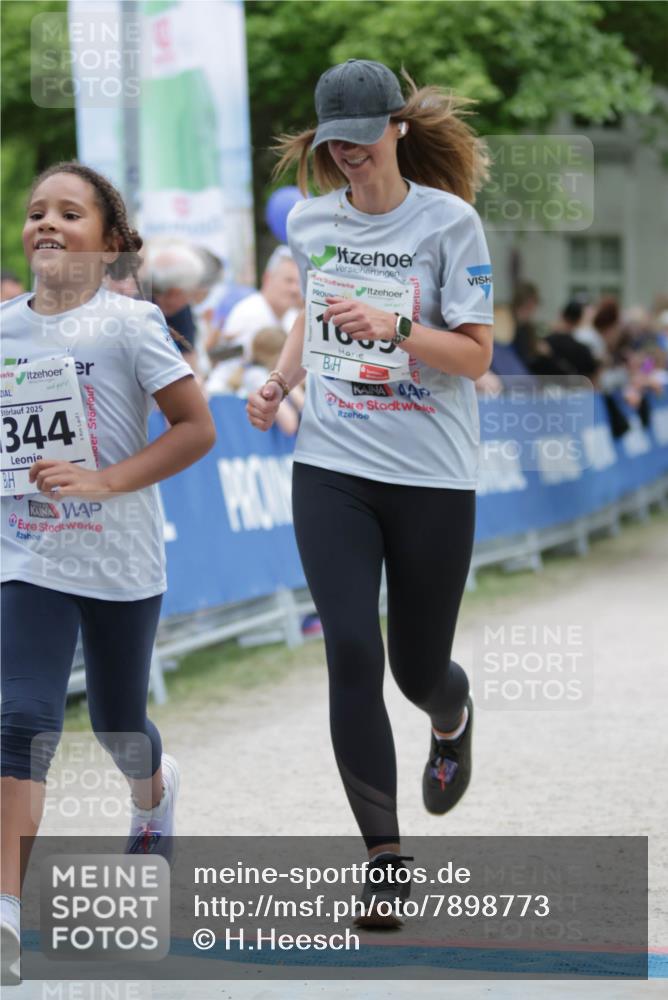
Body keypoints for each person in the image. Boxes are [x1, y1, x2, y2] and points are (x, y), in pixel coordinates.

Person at [247, 58, 493, 926]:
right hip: (333, 464)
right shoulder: (314, 220)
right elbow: (314, 312)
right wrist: (278, 383)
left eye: (359, 139)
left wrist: (395, 328)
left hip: (432, 471)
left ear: (395, 127)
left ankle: (452, 715)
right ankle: (384, 859)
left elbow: (474, 356)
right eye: (332, 143)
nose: (346, 156)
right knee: (351, 650)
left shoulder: (450, 223)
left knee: (416, 667)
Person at [0, 162, 216, 984]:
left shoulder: (130, 325)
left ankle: (155, 795)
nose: (46, 224)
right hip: (28, 554)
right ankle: (7, 917)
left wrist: (104, 479)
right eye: (34, 213)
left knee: (120, 726)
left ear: (111, 242)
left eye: (68, 213)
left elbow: (195, 429)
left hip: (121, 557)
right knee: (21, 720)